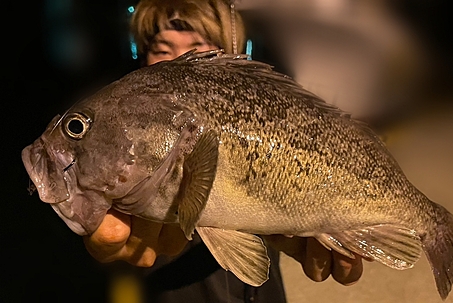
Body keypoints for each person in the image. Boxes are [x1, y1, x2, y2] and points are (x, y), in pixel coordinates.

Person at [83, 0, 365, 302]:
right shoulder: (127, 149)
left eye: (200, 49)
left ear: (232, 62)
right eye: (162, 51)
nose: (181, 61)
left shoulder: (267, 120)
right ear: (143, 66)